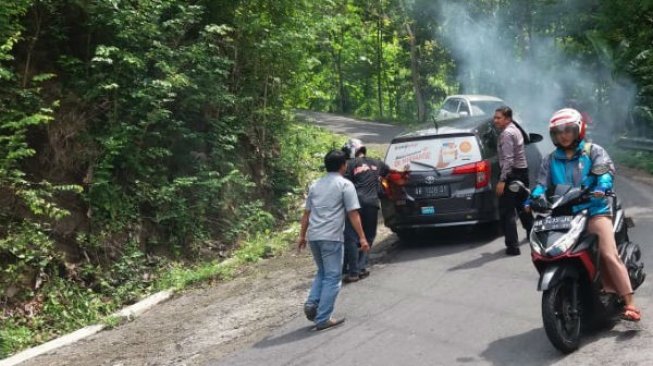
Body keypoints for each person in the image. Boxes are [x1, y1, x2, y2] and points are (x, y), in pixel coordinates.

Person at [526, 108, 641, 321]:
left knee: (608, 253)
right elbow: (541, 184)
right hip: (564, 212)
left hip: (595, 209)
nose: (563, 135)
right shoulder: (550, 160)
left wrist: (602, 186)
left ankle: (629, 302)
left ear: (578, 129)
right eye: (558, 132)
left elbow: (605, 172)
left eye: (568, 130)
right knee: (549, 248)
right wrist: (534, 197)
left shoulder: (593, 151)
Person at [297, 149, 370, 331]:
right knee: (333, 277)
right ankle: (323, 318)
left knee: (322, 272)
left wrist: (301, 236)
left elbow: (307, 213)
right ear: (343, 165)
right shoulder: (345, 185)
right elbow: (353, 213)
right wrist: (362, 237)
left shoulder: (315, 185)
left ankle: (312, 303)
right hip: (332, 237)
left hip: (314, 236)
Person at [341, 138, 389, 283]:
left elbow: (343, 184)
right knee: (368, 237)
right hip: (372, 204)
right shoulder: (377, 163)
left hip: (354, 205)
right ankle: (361, 267)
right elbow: (387, 172)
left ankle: (353, 270)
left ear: (351, 150)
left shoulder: (348, 165)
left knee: (353, 237)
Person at [493, 106, 534, 256]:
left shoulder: (507, 134)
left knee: (507, 211)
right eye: (495, 117)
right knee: (523, 206)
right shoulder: (516, 129)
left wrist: (503, 180)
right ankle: (533, 234)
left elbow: (508, 160)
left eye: (499, 118)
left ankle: (512, 246)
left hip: (512, 175)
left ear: (508, 119)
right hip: (522, 172)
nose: (495, 120)